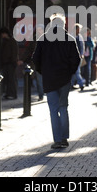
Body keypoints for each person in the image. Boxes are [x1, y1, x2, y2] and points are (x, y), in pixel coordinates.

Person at [32, 14, 81, 149]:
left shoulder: (43, 39)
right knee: (63, 108)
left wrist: (43, 72)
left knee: (53, 110)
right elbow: (76, 59)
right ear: (64, 25)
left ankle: (57, 140)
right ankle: (64, 139)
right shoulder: (70, 39)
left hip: (49, 79)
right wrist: (69, 72)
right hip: (64, 79)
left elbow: (35, 59)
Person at [0, 27, 19, 100]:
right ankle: (8, 93)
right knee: (7, 79)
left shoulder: (11, 41)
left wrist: (13, 62)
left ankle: (13, 94)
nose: (1, 36)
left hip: (10, 63)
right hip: (6, 63)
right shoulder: (5, 41)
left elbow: (14, 52)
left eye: (2, 34)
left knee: (11, 79)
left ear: (5, 34)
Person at [71, 23, 85, 91]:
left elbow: (82, 47)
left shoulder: (80, 37)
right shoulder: (71, 36)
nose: (79, 31)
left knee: (76, 71)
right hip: (73, 57)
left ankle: (73, 84)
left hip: (79, 57)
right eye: (78, 29)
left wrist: (82, 54)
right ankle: (80, 84)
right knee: (76, 71)